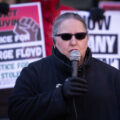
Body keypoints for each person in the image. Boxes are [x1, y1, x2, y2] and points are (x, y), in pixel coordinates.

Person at [8, 12, 120, 120]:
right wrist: (60, 95)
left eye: (80, 36)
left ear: (87, 38)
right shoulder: (33, 72)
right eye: (66, 36)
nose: (73, 42)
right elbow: (16, 112)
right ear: (54, 40)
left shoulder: (112, 76)